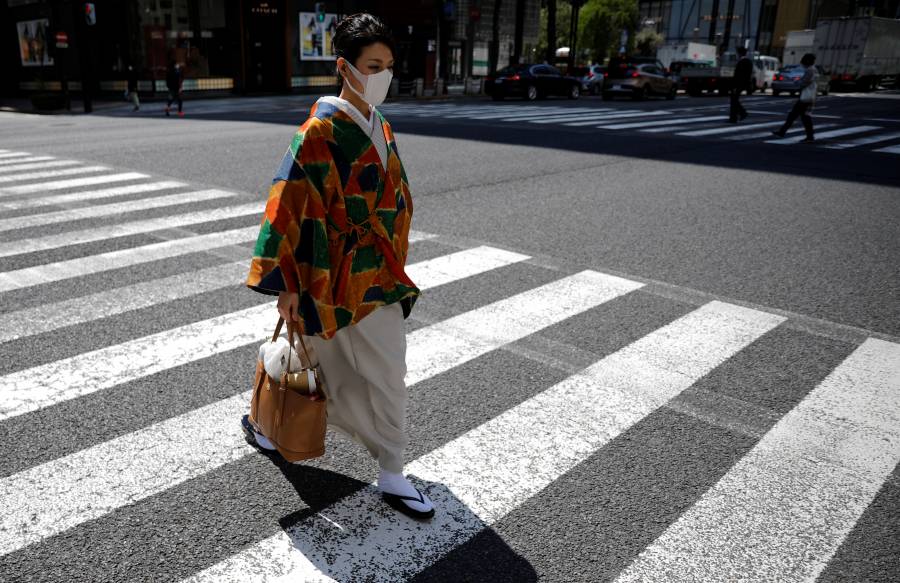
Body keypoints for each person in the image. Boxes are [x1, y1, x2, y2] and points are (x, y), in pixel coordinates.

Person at [241, 13, 435, 520]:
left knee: (389, 372)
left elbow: (398, 198)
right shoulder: (317, 132)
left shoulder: (382, 125)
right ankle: (267, 421)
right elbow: (286, 206)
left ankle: (391, 469)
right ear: (344, 67)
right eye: (374, 65)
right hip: (326, 276)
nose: (383, 76)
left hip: (378, 275)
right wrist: (285, 283)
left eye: (389, 66)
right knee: (327, 372)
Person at [772, 53, 817, 143]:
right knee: (802, 116)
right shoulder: (814, 69)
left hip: (805, 98)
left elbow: (804, 83)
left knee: (795, 115)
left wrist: (796, 81)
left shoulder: (810, 70)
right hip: (809, 96)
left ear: (807, 61)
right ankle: (808, 136)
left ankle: (783, 132)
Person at [728, 46, 752, 123]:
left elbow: (739, 75)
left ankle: (739, 115)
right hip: (743, 83)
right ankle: (737, 115)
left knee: (734, 100)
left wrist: (734, 85)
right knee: (734, 100)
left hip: (738, 84)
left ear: (740, 53)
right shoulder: (749, 61)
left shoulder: (742, 62)